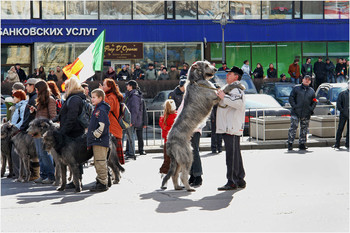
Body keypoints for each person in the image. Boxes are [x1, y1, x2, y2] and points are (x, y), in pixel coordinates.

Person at [216, 66, 246, 191]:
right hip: (230, 126)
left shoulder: (236, 89)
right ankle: (239, 179)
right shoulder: (232, 89)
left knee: (231, 155)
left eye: (230, 74)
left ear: (236, 76)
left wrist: (223, 96)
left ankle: (232, 181)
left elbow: (238, 104)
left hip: (231, 126)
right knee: (235, 154)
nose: (227, 75)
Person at [31, 80, 56, 184]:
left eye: (37, 89)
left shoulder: (50, 99)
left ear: (41, 89)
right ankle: (43, 174)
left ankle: (51, 176)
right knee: (40, 154)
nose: (36, 91)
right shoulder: (41, 100)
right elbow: (42, 114)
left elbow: (53, 116)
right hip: (37, 130)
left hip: (45, 131)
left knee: (45, 153)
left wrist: (44, 124)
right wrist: (35, 111)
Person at [87, 89, 111, 192]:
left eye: (94, 97)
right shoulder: (97, 108)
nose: (92, 99)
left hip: (100, 141)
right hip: (98, 140)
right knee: (98, 162)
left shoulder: (100, 110)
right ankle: (101, 180)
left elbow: (102, 126)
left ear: (100, 98)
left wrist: (94, 135)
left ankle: (102, 183)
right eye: (91, 97)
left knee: (100, 162)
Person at [287, 75, 317, 151]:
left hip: (306, 113)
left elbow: (314, 101)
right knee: (293, 128)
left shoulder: (312, 91)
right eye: (306, 79)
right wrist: (295, 106)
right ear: (302, 80)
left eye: (309, 80)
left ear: (310, 82)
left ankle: (302, 144)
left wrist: (311, 109)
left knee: (304, 129)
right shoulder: (296, 88)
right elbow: (291, 98)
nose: (307, 81)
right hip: (295, 112)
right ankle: (290, 143)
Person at [100, 78, 125, 164]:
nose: (102, 87)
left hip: (113, 129)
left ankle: (116, 174)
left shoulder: (112, 97)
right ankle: (114, 173)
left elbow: (108, 107)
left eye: (104, 85)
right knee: (112, 155)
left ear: (110, 87)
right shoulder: (110, 95)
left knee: (113, 156)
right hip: (112, 128)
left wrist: (102, 93)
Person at [123, 80, 143, 160]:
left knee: (130, 137)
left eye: (127, 85)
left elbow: (135, 110)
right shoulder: (131, 94)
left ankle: (132, 154)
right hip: (128, 119)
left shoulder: (134, 96)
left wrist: (132, 121)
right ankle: (130, 153)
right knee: (129, 136)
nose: (126, 86)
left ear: (131, 86)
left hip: (130, 120)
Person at [159, 99, 177, 176]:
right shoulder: (176, 116)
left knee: (166, 161)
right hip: (176, 142)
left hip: (167, 142)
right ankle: (181, 182)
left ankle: (164, 182)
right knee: (178, 162)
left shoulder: (163, 118)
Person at [333, 82, 349, 149]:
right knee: (340, 129)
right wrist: (342, 111)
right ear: (348, 85)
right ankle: (337, 143)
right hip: (343, 114)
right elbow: (338, 104)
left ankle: (348, 143)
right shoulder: (342, 93)